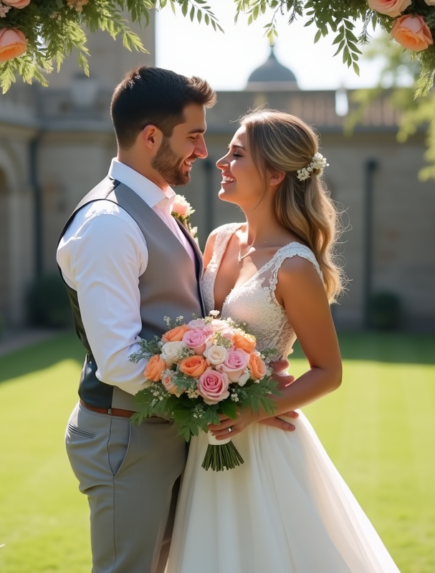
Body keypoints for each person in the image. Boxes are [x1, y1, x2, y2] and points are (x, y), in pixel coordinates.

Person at [56, 67, 296, 573]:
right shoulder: (109, 226)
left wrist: (240, 372)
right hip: (126, 438)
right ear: (150, 137)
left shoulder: (159, 207)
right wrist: (226, 395)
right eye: (194, 136)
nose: (204, 152)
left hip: (160, 431)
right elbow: (119, 361)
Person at [165, 110, 401, 573]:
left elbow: (328, 371)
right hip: (202, 440)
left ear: (275, 174)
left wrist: (255, 407)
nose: (220, 163)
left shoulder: (294, 266)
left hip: (260, 444)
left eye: (237, 154)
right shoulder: (217, 240)